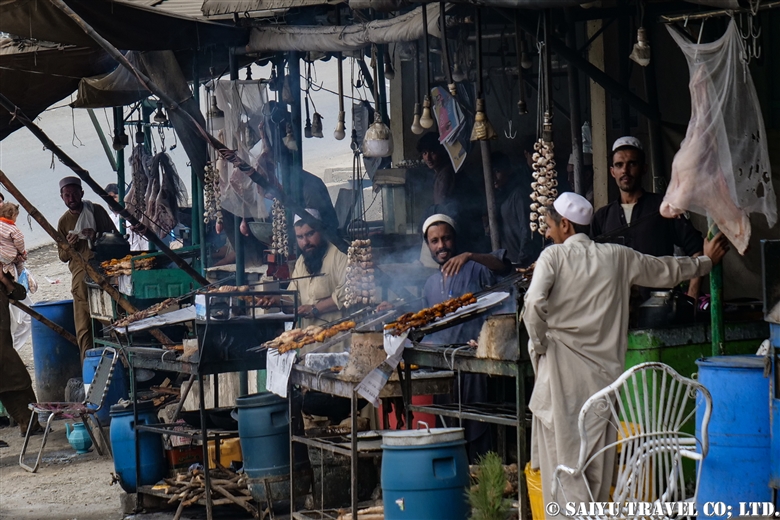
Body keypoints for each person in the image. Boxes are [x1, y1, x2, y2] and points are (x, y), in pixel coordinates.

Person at [523, 192, 728, 514]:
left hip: (561, 376)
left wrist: (538, 343)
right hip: (605, 379)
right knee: (597, 461)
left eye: (549, 226)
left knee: (564, 463)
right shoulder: (619, 256)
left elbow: (533, 304)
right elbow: (666, 270)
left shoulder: (553, 257)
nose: (547, 233)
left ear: (565, 224)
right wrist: (705, 261)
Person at [421, 213, 511, 461]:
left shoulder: (476, 267)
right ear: (428, 245)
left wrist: (470, 255)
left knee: (479, 429)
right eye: (435, 241)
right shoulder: (430, 284)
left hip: (476, 368)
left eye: (446, 239)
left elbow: (504, 266)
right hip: (445, 371)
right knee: (449, 433)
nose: (441, 246)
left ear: (455, 239)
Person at [590, 136, 704, 298]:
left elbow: (698, 250)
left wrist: (692, 296)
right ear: (612, 172)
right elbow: (590, 265)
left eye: (632, 164)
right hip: (615, 309)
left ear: (644, 168)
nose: (625, 171)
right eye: (619, 165)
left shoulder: (664, 208)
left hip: (658, 308)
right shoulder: (602, 217)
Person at [57, 176, 117, 361]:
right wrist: (70, 246)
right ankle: (88, 370)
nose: (71, 198)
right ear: (62, 197)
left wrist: (97, 235)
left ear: (82, 193)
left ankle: (117, 335)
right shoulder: (63, 222)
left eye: (74, 194)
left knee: (105, 313)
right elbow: (62, 256)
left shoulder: (96, 211)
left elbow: (116, 238)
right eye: (67, 195)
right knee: (83, 329)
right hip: (80, 273)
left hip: (102, 268)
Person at [418, 132, 487, 253]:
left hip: (464, 232)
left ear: (442, 152)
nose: (428, 158)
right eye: (424, 153)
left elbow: (441, 211)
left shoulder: (446, 174)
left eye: (432, 153)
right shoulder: (443, 172)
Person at [0, 269, 43, 441]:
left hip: (4, 345)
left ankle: (29, 424)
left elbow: (19, 293)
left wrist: (5, 279)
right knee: (15, 381)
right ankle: (29, 424)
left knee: (19, 383)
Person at [491, 151, 540, 268]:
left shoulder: (518, 194)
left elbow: (526, 229)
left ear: (508, 171)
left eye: (497, 171)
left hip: (518, 261)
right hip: (507, 260)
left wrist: (522, 260)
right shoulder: (499, 197)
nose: (493, 177)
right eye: (491, 173)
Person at [0, 202, 32, 351]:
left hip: (7, 267)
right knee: (15, 319)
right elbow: (19, 242)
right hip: (9, 272)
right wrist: (21, 253)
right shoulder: (12, 229)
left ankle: (12, 351)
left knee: (22, 317)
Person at [105, 183, 149, 252]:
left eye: (114, 197)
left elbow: (144, 241)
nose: (111, 201)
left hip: (138, 255)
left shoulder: (132, 215)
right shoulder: (108, 219)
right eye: (108, 199)